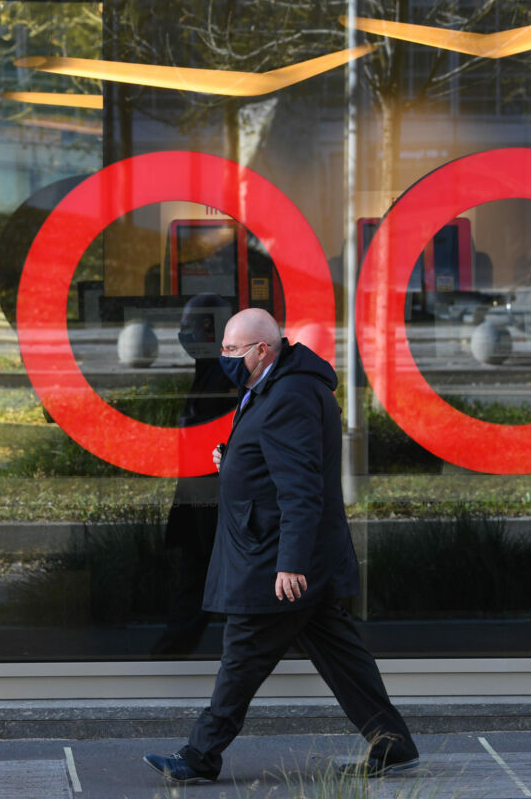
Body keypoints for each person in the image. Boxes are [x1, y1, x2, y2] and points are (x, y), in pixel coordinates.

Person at [143, 308, 418, 784]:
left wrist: (290, 564)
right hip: (291, 553)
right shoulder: (279, 381)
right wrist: (234, 458)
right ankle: (393, 745)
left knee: (243, 652)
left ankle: (201, 755)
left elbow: (301, 488)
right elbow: (276, 456)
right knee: (344, 658)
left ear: (262, 349)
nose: (224, 357)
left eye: (232, 349)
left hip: (277, 558)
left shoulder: (288, 393)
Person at [151, 293, 236, 656]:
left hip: (213, 507)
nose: (181, 335)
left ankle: (169, 657)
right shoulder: (209, 371)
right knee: (196, 586)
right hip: (198, 504)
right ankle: (168, 656)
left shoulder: (225, 377)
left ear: (207, 329)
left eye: (187, 327)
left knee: (215, 587)